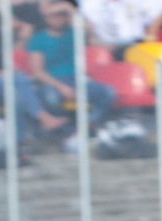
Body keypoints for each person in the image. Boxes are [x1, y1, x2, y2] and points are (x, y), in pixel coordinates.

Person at [0, 4, 71, 141]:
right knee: (17, 77)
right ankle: (43, 117)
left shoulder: (0, 40)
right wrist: (3, 74)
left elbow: (14, 50)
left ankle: (19, 142)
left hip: (4, 85)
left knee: (17, 95)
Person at [25, 0, 118, 145]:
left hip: (76, 80)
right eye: (53, 15)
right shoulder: (38, 39)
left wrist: (70, 8)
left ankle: (85, 127)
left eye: (61, 15)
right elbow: (37, 71)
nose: (57, 18)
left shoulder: (74, 34)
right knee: (51, 98)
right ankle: (66, 130)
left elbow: (89, 28)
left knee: (108, 92)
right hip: (51, 82)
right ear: (46, 18)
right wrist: (60, 86)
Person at [79, 0, 162, 49]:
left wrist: (152, 30)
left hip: (135, 45)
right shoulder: (90, 3)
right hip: (103, 47)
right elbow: (83, 22)